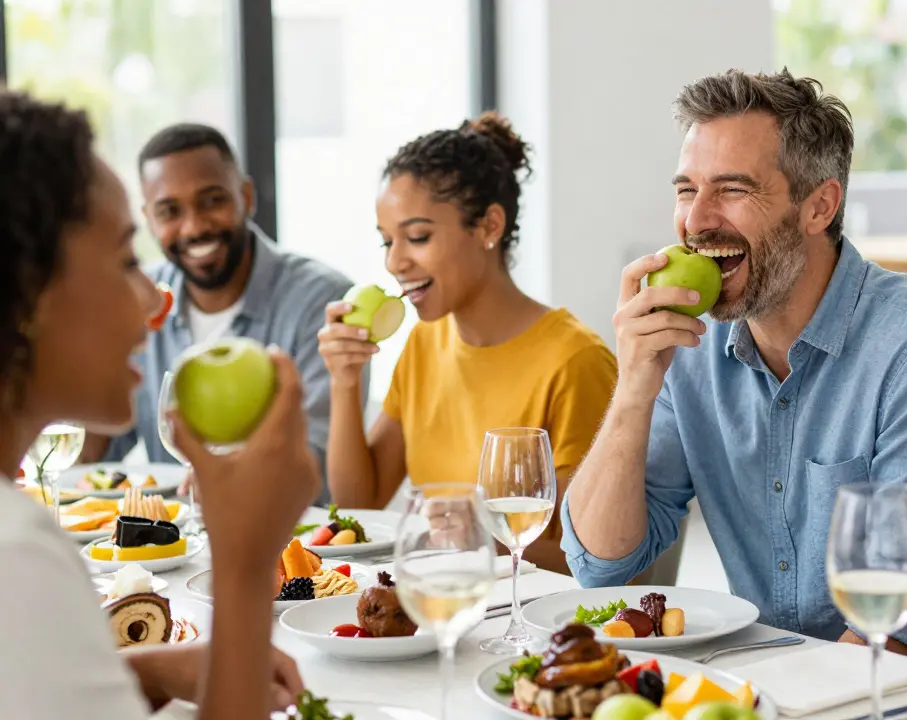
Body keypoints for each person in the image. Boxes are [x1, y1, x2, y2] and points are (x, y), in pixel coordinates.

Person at [561, 69, 907, 685]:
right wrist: (634, 390)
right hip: (780, 690)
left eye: (732, 190)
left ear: (819, 205)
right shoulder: (689, 345)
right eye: (686, 189)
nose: (696, 220)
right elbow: (599, 566)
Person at [0, 91, 320, 718]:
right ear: (31, 295)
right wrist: (244, 569)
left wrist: (142, 671)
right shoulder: (19, 557)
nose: (156, 301)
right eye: (125, 260)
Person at [318, 112, 617, 574]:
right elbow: (360, 506)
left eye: (417, 237)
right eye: (386, 242)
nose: (395, 261)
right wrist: (343, 380)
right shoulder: (425, 341)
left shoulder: (576, 361)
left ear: (488, 227)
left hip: (531, 626)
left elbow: (598, 564)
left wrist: (479, 535)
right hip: (442, 602)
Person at [79, 123, 364, 505]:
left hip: (286, 549)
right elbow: (91, 459)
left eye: (212, 200)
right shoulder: (140, 297)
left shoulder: (321, 300)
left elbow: (316, 467)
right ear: (148, 219)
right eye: (169, 211)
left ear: (246, 196)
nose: (195, 226)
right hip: (173, 551)